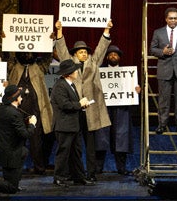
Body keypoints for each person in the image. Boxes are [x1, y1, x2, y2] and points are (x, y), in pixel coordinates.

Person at [54, 19, 114, 178]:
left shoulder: (93, 62)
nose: (84, 53)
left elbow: (101, 49)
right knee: (73, 144)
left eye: (85, 51)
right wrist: (60, 32)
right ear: (74, 54)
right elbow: (61, 49)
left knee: (90, 144)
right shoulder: (69, 63)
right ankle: (73, 173)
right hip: (74, 109)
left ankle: (91, 173)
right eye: (80, 51)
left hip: (90, 109)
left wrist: (106, 30)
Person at [0, 29, 56, 175]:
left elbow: (48, 57)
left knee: (36, 141)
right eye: (24, 52)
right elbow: (6, 58)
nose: (27, 55)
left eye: (30, 53)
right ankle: (15, 167)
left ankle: (39, 167)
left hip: (35, 109)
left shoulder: (39, 67)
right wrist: (6, 42)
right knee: (16, 140)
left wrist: (51, 41)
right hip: (16, 110)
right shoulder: (13, 66)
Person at [49, 59, 96, 186]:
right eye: (75, 70)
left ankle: (78, 177)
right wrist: (79, 104)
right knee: (63, 153)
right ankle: (59, 177)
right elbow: (64, 104)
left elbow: (72, 104)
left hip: (73, 125)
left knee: (76, 153)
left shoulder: (71, 85)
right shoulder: (60, 85)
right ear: (69, 73)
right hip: (64, 125)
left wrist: (82, 105)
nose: (77, 72)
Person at [150, 8, 177, 134]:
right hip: (164, 70)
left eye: (175, 18)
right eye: (171, 18)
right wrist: (162, 52)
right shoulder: (158, 33)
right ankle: (162, 124)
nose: (173, 20)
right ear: (166, 19)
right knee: (164, 100)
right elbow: (152, 49)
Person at [98, 45, 138, 175]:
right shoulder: (99, 72)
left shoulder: (127, 73)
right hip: (104, 109)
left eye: (115, 54)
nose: (113, 56)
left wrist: (136, 91)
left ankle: (121, 168)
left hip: (121, 109)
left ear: (119, 57)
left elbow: (131, 92)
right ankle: (97, 168)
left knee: (121, 139)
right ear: (107, 57)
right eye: (110, 54)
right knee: (101, 139)